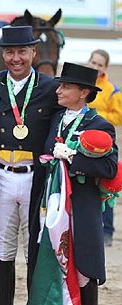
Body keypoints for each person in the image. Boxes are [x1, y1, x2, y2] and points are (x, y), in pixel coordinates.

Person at [0, 26, 60, 305]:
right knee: (3, 249)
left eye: (22, 51)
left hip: (33, 179)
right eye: (9, 52)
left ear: (33, 52)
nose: (16, 58)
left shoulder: (49, 87)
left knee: (33, 249)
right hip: (0, 177)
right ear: (2, 55)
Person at [27, 62, 118, 305]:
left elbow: (109, 168)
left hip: (80, 205)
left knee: (82, 270)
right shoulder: (55, 118)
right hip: (51, 201)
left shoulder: (100, 125)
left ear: (84, 92)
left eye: (65, 87)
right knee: (46, 259)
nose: (58, 91)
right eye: (59, 86)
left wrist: (72, 157)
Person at [88, 49, 122, 247]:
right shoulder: (82, 83)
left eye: (100, 65)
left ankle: (107, 230)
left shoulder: (112, 90)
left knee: (105, 187)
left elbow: (118, 116)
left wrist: (97, 116)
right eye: (93, 62)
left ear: (105, 68)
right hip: (84, 142)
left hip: (104, 144)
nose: (95, 67)